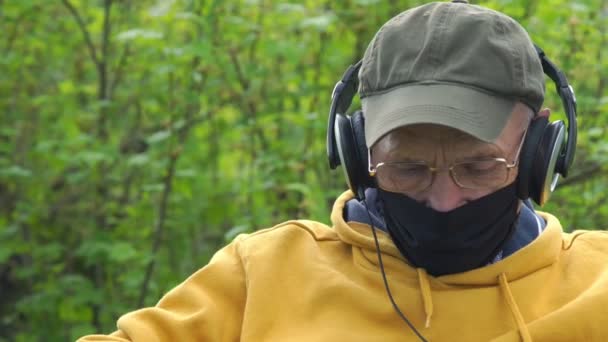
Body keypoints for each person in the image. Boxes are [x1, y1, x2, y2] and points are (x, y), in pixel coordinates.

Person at [80, 1, 608, 341]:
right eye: (408, 168)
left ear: (542, 149)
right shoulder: (261, 274)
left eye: (478, 166)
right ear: (356, 152)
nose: (444, 200)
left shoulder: (598, 283)